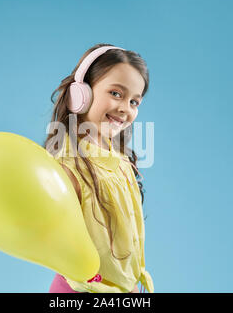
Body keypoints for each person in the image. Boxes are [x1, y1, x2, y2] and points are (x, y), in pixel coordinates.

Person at [44, 43, 154, 293]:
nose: (126, 108)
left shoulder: (120, 159)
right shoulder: (67, 166)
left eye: (135, 101)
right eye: (116, 93)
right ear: (80, 94)